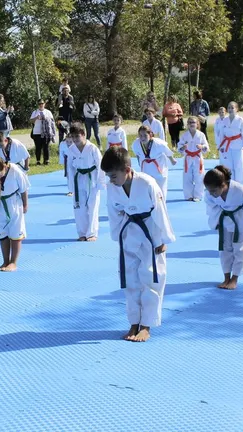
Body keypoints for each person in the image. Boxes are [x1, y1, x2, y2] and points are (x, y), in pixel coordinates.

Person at [102, 146, 175, 342]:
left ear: (127, 169)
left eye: (113, 175)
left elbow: (160, 210)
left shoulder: (147, 183)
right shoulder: (112, 187)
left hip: (150, 232)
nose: (110, 180)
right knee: (130, 280)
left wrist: (163, 239)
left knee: (151, 279)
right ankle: (133, 322)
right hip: (129, 232)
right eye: (108, 176)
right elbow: (113, 212)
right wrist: (118, 235)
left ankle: (146, 326)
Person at [203, 165, 243, 290]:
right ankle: (226, 277)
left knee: (239, 249)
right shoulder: (210, 194)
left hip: (240, 220)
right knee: (224, 249)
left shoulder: (240, 190)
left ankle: (235, 278)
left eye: (213, 191)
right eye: (209, 191)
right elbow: (211, 207)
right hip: (223, 220)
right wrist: (216, 221)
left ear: (223, 185)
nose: (211, 194)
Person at [0, 153, 29, 272]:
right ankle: (5, 261)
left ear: (4, 166)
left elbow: (24, 188)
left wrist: (25, 204)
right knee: (2, 233)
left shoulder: (15, 170)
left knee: (15, 232)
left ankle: (13, 262)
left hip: (14, 203)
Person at [67, 122, 105, 242]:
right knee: (79, 208)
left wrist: (100, 182)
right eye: (72, 137)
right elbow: (70, 168)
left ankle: (92, 233)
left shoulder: (92, 148)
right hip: (78, 180)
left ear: (83, 134)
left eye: (77, 136)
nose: (75, 139)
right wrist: (71, 186)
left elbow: (100, 165)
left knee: (92, 207)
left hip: (92, 178)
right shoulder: (71, 149)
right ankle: (82, 233)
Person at [131, 125, 177, 200]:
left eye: (145, 135)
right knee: (147, 185)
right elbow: (137, 154)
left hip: (159, 166)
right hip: (146, 167)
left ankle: (162, 202)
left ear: (150, 135)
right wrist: (139, 162)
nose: (142, 138)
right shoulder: (136, 144)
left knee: (160, 187)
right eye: (140, 135)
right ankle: (151, 204)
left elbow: (167, 152)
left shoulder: (158, 143)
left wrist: (172, 160)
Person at [216, 101, 243, 184]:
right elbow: (221, 134)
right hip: (226, 145)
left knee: (238, 166)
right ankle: (230, 183)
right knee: (228, 165)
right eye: (229, 107)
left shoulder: (240, 120)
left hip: (237, 145)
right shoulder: (224, 120)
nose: (230, 109)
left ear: (236, 109)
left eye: (232, 107)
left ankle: (239, 184)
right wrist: (220, 145)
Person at [177, 116, 209, 201]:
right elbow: (179, 147)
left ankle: (198, 196)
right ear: (187, 124)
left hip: (198, 158)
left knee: (199, 177)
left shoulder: (201, 135)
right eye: (190, 122)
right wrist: (183, 148)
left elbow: (206, 147)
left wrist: (202, 146)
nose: (191, 124)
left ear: (197, 124)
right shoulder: (184, 135)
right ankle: (188, 195)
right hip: (188, 158)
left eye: (193, 122)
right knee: (187, 177)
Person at [29, 99, 55, 165]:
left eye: (42, 103)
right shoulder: (35, 112)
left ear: (44, 104)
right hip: (37, 132)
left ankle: (46, 160)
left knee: (46, 146)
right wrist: (36, 118)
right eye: (39, 104)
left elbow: (52, 121)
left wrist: (46, 118)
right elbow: (31, 121)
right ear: (38, 105)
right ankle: (38, 161)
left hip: (46, 132)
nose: (41, 105)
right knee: (38, 147)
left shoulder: (48, 112)